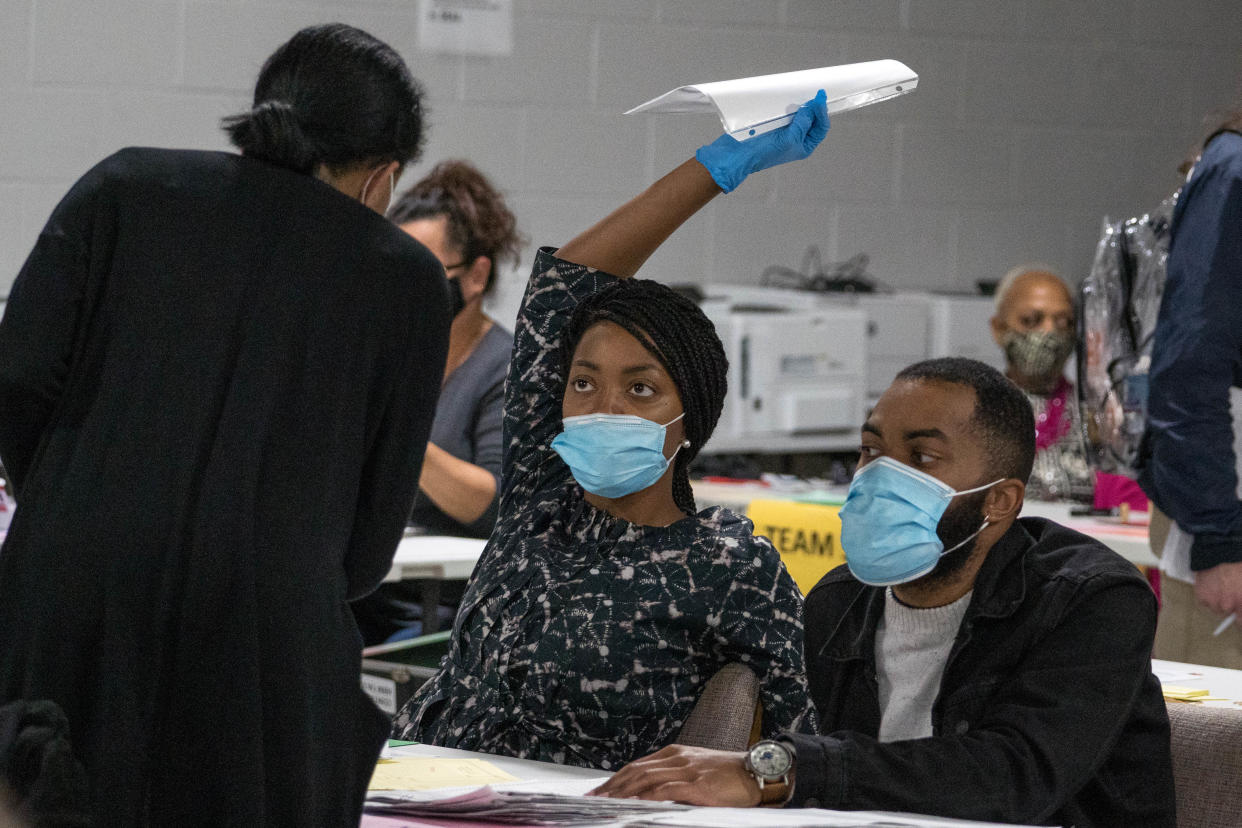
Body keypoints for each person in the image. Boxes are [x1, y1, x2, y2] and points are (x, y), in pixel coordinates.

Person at [0, 24, 451, 826]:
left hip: (69, 596)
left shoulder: (125, 189)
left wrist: (72, 501)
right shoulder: (402, 279)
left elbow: (17, 378)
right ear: (382, 176)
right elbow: (378, 520)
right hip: (263, 636)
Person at [392, 92, 833, 771]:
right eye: (584, 382)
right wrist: (714, 165)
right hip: (420, 787)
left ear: (692, 418)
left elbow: (795, 752)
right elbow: (561, 289)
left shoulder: (728, 565)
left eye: (641, 388)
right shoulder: (543, 505)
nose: (604, 407)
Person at [594, 357, 1175, 827]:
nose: (877, 475)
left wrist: (784, 770)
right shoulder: (838, 601)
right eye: (871, 451)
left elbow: (1014, 778)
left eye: (921, 458)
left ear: (999, 501)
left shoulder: (1092, 600)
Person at [352, 160, 521, 645]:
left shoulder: (504, 366)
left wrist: (398, 434)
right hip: (369, 590)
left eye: (423, 269)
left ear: (475, 276)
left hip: (449, 611)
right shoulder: (391, 354)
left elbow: (493, 502)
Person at [1139, 109, 1242, 668]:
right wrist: (1221, 541)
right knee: (1216, 750)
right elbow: (1188, 365)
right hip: (1230, 530)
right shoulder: (1234, 170)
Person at [989, 264, 1095, 503]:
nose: (1048, 332)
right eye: (1031, 320)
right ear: (998, 329)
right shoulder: (976, 412)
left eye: (1063, 322)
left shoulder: (1096, 415)